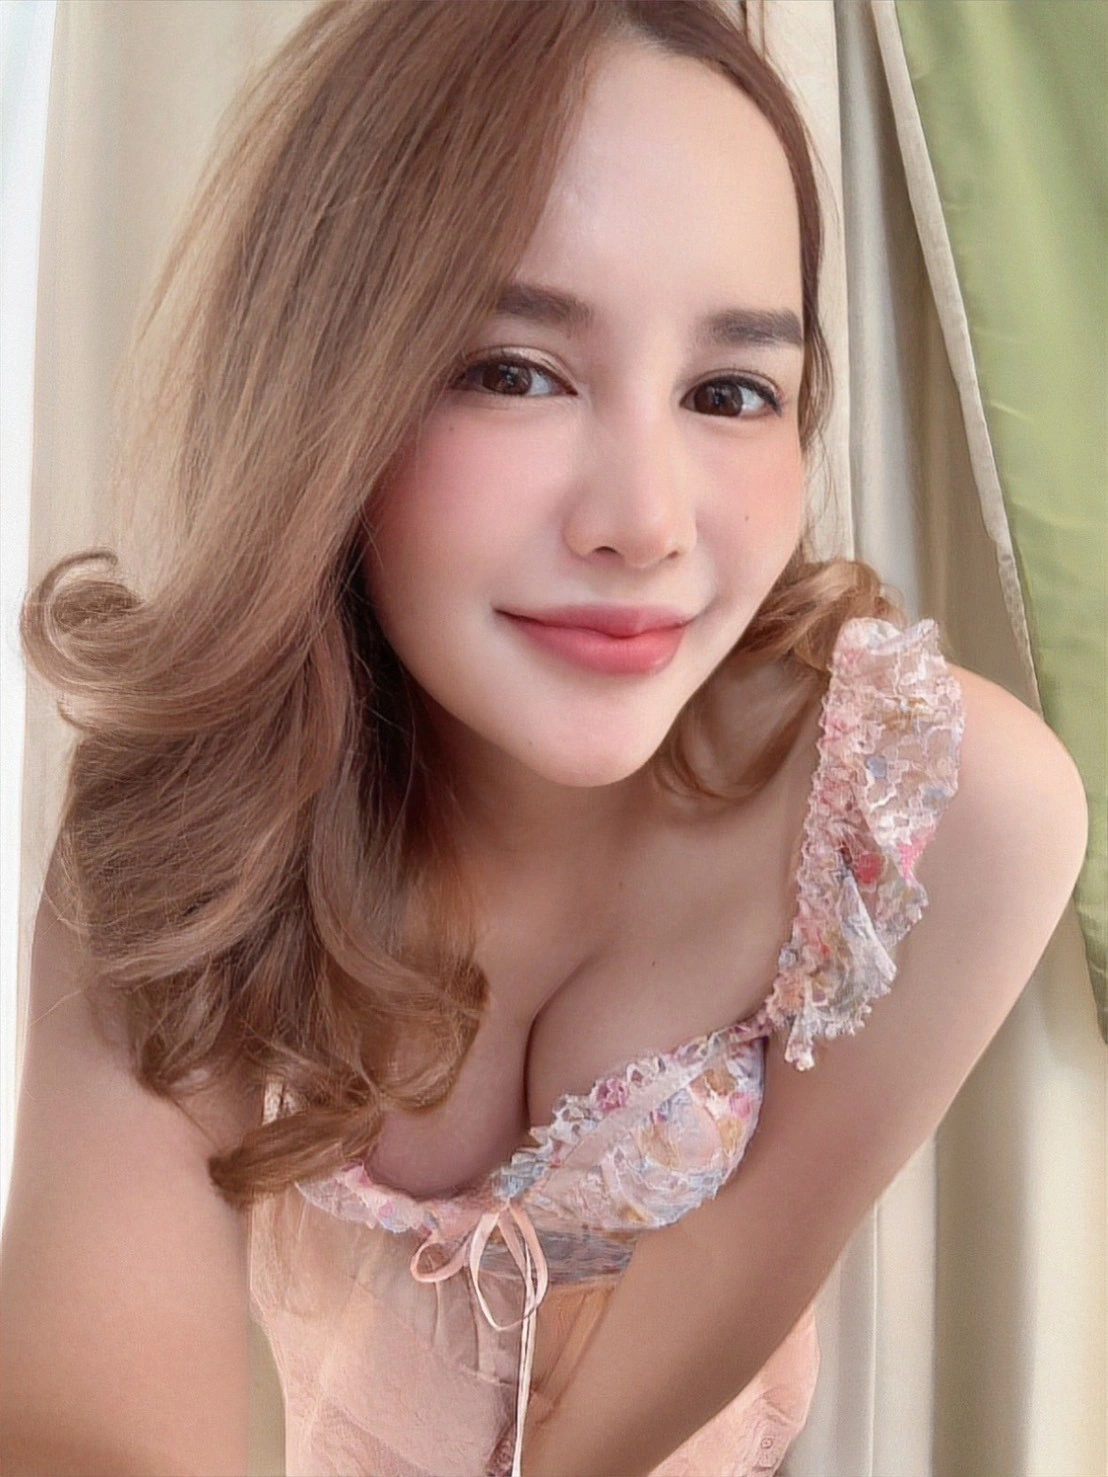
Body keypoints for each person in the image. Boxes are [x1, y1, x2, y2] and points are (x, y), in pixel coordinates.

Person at [0, 2, 1089, 1475]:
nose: (644, 525)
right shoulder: (191, 820)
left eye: (731, 392)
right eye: (515, 370)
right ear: (325, 384)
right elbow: (87, 1430)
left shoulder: (937, 812)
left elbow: (623, 1401)